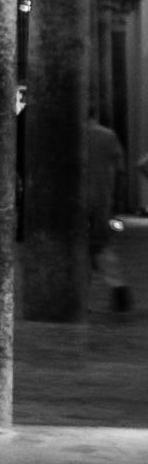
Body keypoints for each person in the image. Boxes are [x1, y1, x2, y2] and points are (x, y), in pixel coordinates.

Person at [86, 111, 131, 313]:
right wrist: (118, 200)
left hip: (76, 200)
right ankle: (118, 287)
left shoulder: (70, 136)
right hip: (102, 198)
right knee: (102, 244)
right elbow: (121, 170)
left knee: (80, 246)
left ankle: (78, 294)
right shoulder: (108, 135)